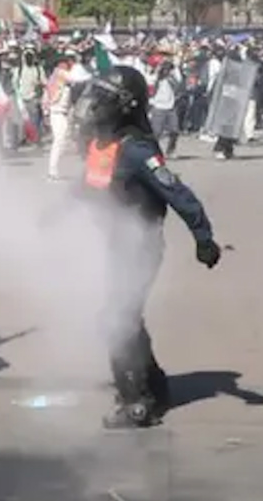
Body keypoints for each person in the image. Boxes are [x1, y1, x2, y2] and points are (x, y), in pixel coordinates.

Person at [74, 64, 222, 430]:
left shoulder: (137, 150)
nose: (93, 105)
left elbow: (178, 193)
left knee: (116, 321)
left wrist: (203, 237)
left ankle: (136, 403)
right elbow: (88, 186)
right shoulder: (104, 146)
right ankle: (154, 386)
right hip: (116, 245)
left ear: (125, 105)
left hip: (140, 247)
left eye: (103, 99)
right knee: (125, 317)